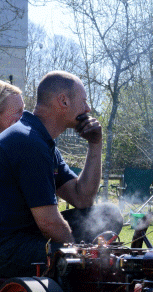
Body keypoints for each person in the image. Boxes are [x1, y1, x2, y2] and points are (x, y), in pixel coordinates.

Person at [0, 71, 123, 278]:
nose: (88, 109)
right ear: (63, 101)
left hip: (29, 237)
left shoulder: (42, 142)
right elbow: (49, 224)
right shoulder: (29, 142)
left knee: (108, 215)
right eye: (83, 101)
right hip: (8, 248)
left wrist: (95, 145)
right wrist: (79, 256)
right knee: (77, 264)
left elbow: (82, 198)